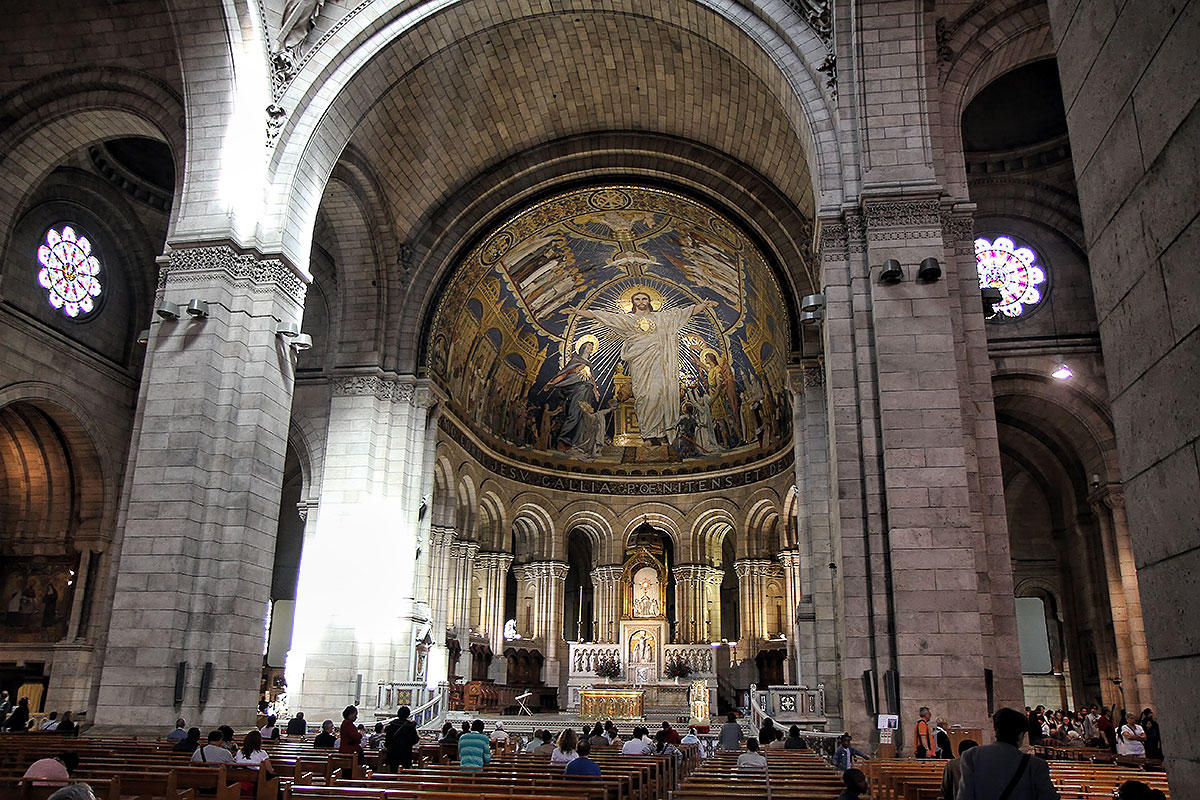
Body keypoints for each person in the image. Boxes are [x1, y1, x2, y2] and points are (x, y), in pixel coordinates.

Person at [568, 291, 718, 445]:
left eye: (644, 298)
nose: (641, 301)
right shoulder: (628, 320)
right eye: (637, 299)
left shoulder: (661, 318)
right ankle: (647, 434)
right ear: (633, 302)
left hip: (659, 364)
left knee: (659, 394)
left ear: (649, 301)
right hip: (639, 364)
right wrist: (579, 312)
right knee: (643, 396)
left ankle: (660, 434)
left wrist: (703, 305)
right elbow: (604, 316)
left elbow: (683, 313)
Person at [958, 707, 1059, 800]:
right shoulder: (1036, 765)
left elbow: (964, 796)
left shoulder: (971, 756)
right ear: (1020, 735)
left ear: (996, 731)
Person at [234, 730, 273, 795]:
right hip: (256, 780)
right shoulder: (262, 753)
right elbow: (269, 770)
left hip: (240, 778)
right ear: (259, 741)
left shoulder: (239, 752)